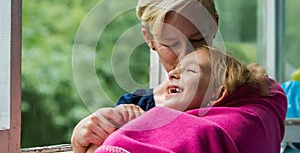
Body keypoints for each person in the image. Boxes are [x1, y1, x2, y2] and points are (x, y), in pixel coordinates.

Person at [71, 0, 219, 153]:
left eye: (196, 40)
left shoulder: (239, 99)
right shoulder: (133, 110)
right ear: (149, 39)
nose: (185, 56)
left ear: (214, 26)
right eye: (171, 45)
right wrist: (83, 144)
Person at [90, 46, 287, 153]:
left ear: (217, 94)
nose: (173, 73)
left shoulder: (207, 131)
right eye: (175, 69)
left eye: (190, 70)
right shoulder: (137, 106)